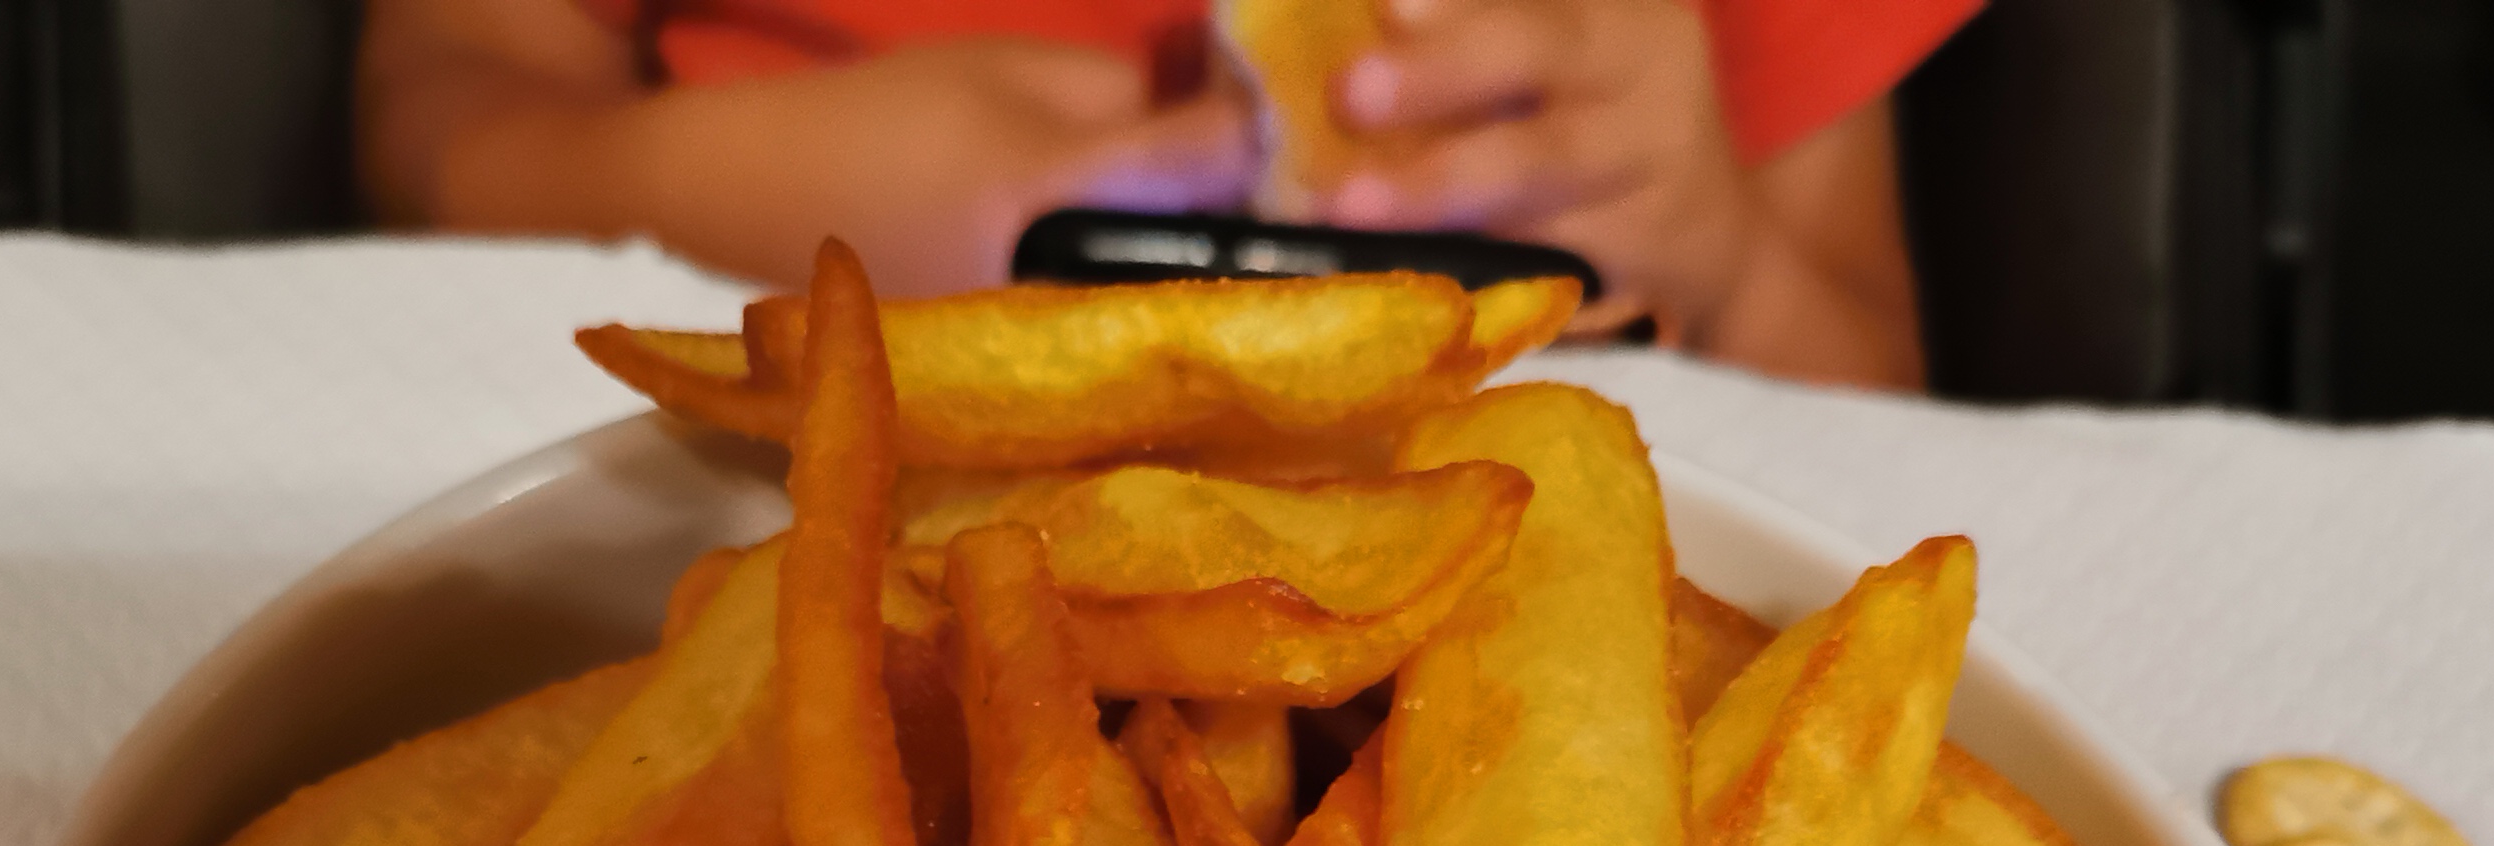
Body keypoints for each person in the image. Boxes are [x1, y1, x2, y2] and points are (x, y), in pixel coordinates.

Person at [360, 0, 1971, 387]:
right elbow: (449, 105)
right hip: (717, 488)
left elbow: (1860, 367)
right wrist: (713, 189)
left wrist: (1718, 253)